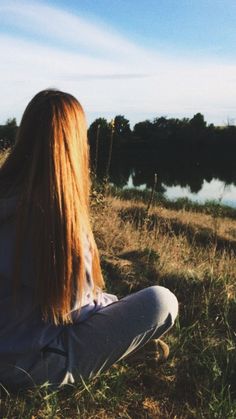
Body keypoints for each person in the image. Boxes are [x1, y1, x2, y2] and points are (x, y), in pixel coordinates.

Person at [0, 89, 178, 391]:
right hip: (24, 368)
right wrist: (113, 305)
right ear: (74, 145)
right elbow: (76, 309)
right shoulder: (58, 222)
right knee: (162, 301)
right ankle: (123, 351)